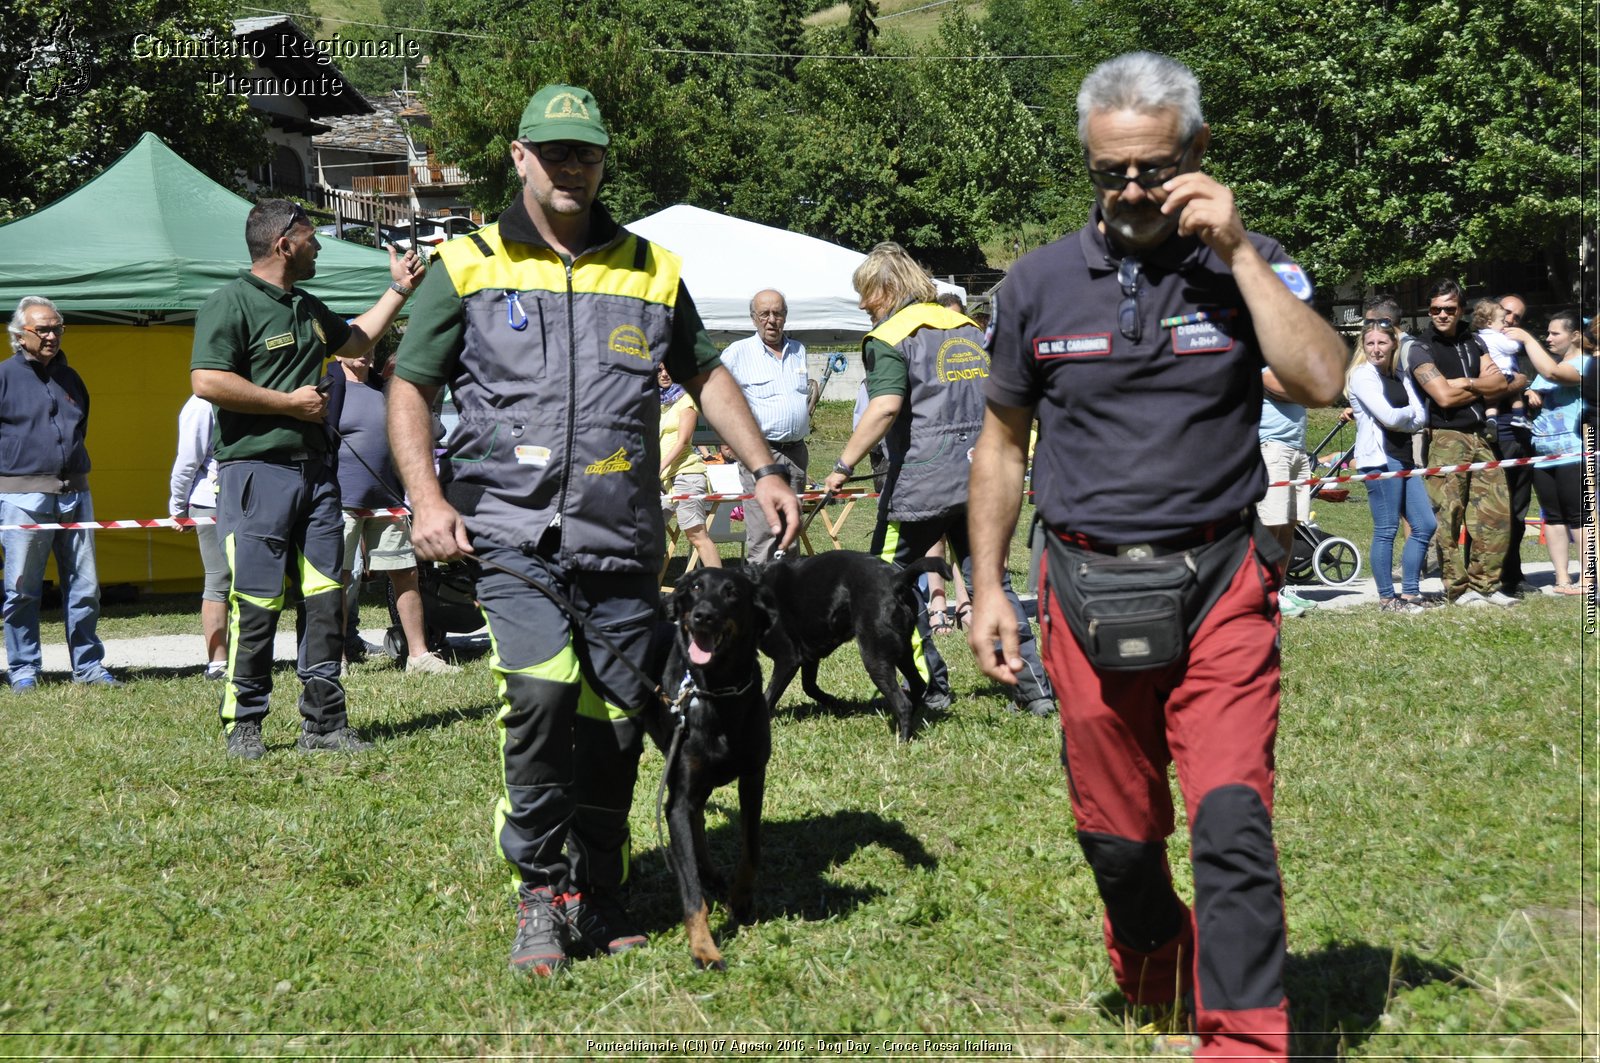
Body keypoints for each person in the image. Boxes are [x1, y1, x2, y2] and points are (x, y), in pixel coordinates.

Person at [965, 52, 1346, 1061]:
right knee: (1120, 838)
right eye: (1109, 172)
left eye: (1153, 167)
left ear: (1197, 153)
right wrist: (985, 588)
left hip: (1219, 579)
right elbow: (1000, 447)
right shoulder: (1037, 284)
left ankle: (1246, 1039)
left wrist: (1238, 251)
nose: (1131, 189)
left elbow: (1319, 379)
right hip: (1080, 587)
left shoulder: (1249, 262)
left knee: (1229, 823)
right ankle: (1152, 955)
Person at [384, 84, 800, 977]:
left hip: (621, 540)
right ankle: (540, 890)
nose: (572, 166)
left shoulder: (652, 267)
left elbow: (705, 372)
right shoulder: (467, 262)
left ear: (603, 161)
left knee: (619, 721)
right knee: (539, 698)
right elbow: (409, 384)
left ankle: (600, 885)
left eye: (587, 152)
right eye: (555, 150)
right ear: (519, 154)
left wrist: (764, 468)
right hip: (508, 533)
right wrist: (426, 497)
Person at [190, 198, 425, 760]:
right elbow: (206, 380)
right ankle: (244, 725)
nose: (318, 245)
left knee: (326, 598)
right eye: (311, 237)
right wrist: (286, 404)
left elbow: (358, 341)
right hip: (257, 473)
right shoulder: (230, 303)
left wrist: (400, 290)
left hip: (319, 476)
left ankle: (324, 724)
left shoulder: (305, 305)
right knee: (257, 601)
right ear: (283, 245)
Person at [823, 241, 1054, 720]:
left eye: (868, 293)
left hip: (921, 486)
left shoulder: (891, 337)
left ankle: (928, 690)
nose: (865, 305)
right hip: (983, 475)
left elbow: (885, 406)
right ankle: (1034, 689)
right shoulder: (969, 327)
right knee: (991, 582)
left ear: (887, 288)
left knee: (882, 585)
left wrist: (841, 466)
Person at [0, 297, 120, 691]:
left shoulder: (72, 379)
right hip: (21, 497)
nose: (52, 336)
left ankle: (88, 667)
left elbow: (79, 428)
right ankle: (23, 670)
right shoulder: (4, 376)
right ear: (20, 335)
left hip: (75, 493)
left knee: (85, 588)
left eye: (58, 328)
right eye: (43, 329)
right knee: (22, 589)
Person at [326, 346, 459, 674]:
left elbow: (429, 430)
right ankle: (335, 658)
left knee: (406, 573)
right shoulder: (327, 389)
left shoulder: (384, 389)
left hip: (387, 501)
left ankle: (418, 656)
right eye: (355, 348)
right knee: (337, 579)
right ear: (338, 354)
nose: (364, 355)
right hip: (339, 502)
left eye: (369, 348)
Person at [1408, 278, 1523, 607]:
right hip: (1445, 437)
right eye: (1435, 309)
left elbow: (1500, 382)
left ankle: (1485, 585)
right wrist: (1481, 385)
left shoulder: (1475, 342)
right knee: (1449, 516)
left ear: (1461, 310)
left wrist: (1467, 382)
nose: (1442, 314)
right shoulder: (1421, 347)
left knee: (1495, 513)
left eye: (1449, 309)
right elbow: (1442, 396)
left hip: (1480, 435)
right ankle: (1456, 589)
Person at [1344, 322, 1435, 611]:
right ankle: (1386, 598)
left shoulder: (1398, 374)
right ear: (1363, 347)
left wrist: (1406, 417)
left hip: (1404, 457)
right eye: (1369, 343)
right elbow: (1390, 418)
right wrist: (1407, 417)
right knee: (1387, 528)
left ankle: (1410, 594)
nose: (1376, 349)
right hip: (1379, 460)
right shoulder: (1361, 376)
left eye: (1382, 343)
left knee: (1425, 524)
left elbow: (1422, 416)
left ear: (1393, 344)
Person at [719, 289, 810, 567]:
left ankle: (788, 599)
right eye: (765, 314)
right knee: (763, 531)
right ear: (753, 318)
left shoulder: (798, 350)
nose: (772, 320)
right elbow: (718, 396)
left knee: (791, 530)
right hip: (760, 453)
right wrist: (726, 439)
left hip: (796, 453)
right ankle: (759, 599)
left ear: (785, 316)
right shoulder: (738, 352)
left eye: (777, 313)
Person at [1520, 310, 1592, 594]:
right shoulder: (1547, 368)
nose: (1548, 338)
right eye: (1546, 333)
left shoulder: (1586, 364)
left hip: (1574, 452)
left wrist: (1526, 338)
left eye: (1555, 333)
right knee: (1553, 517)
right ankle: (1562, 578)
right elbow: (1540, 385)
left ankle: (1588, 579)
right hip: (1543, 453)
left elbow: (1554, 374)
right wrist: (1529, 394)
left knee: (1579, 517)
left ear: (1575, 336)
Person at [168, 394, 228, 679]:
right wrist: (179, 508)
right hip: (210, 502)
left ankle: (246, 655)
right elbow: (187, 461)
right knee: (219, 580)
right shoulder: (200, 405)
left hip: (249, 498)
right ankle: (218, 663)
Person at [1258, 371, 1319, 616]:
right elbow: (1311, 393)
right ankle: (1263, 595)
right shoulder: (1262, 363)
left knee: (1289, 524)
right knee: (1271, 523)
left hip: (1296, 449)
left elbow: (1317, 394)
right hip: (1273, 448)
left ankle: (1279, 590)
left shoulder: (1289, 364)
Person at [1489, 294, 1537, 596]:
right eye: (1506, 312)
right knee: (1493, 512)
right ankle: (1487, 575)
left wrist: (1525, 383)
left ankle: (1513, 574)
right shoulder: (1480, 342)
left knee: (1518, 512)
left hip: (1521, 437)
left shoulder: (1516, 348)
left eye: (1517, 317)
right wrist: (1521, 381)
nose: (1510, 320)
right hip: (1496, 437)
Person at [657, 363, 721, 572]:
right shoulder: (660, 403)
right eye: (659, 370)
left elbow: (683, 441)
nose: (665, 374)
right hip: (667, 480)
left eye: (669, 369)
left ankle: (718, 584)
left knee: (697, 535)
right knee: (648, 529)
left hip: (686, 475)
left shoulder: (685, 399)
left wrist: (657, 468)